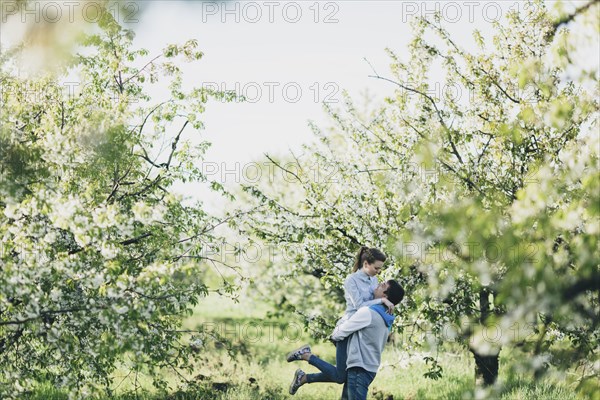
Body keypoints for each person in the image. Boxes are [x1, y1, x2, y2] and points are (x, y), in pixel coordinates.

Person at [286, 246, 395, 395]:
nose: (378, 272)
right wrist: (382, 300)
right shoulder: (351, 280)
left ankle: (303, 377)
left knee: (343, 375)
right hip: (348, 328)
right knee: (340, 376)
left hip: (360, 330)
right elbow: (360, 306)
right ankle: (306, 356)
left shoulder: (373, 279)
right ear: (366, 264)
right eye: (376, 268)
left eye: (380, 269)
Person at [290, 280, 405, 399]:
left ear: (385, 295)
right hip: (369, 368)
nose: (379, 284)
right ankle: (304, 369)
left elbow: (341, 331)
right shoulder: (388, 318)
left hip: (360, 368)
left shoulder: (368, 313)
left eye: (383, 285)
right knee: (340, 377)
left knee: (339, 377)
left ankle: (305, 362)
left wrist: (335, 338)